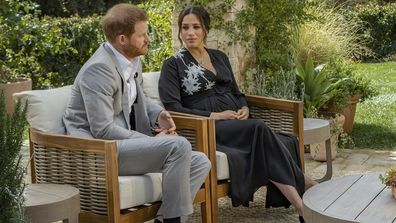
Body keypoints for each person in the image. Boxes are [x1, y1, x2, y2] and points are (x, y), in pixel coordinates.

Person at [159, 6, 316, 223]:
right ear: (180, 30)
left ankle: (303, 204)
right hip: (208, 127)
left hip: (237, 122)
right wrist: (215, 116)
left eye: (196, 27)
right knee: (260, 128)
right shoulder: (173, 64)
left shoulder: (219, 56)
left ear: (206, 29)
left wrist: (244, 108)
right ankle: (304, 199)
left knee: (278, 139)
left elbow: (236, 92)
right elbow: (172, 107)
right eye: (185, 28)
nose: (190, 33)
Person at [62, 4, 211, 223]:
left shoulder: (131, 60)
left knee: (201, 162)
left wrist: (159, 114)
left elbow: (138, 96)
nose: (147, 39)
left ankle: (165, 219)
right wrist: (151, 140)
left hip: (118, 144)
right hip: (99, 150)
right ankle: (173, 221)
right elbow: (102, 129)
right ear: (122, 39)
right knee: (178, 146)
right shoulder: (99, 70)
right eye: (142, 35)